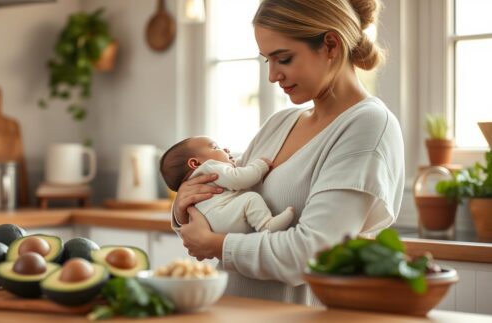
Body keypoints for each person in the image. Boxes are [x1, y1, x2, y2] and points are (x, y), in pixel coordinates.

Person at [170, 0, 405, 305]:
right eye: (267, 60)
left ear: (331, 45)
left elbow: (312, 253)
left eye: (283, 59)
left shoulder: (368, 126)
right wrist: (183, 206)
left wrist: (217, 246)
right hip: (229, 309)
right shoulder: (281, 122)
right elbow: (225, 198)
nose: (272, 76)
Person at [160, 136, 295, 234]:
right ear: (195, 163)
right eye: (215, 147)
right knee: (250, 198)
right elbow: (240, 179)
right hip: (223, 218)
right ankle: (266, 224)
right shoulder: (209, 167)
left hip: (214, 225)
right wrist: (259, 166)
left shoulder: (198, 179)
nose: (225, 148)